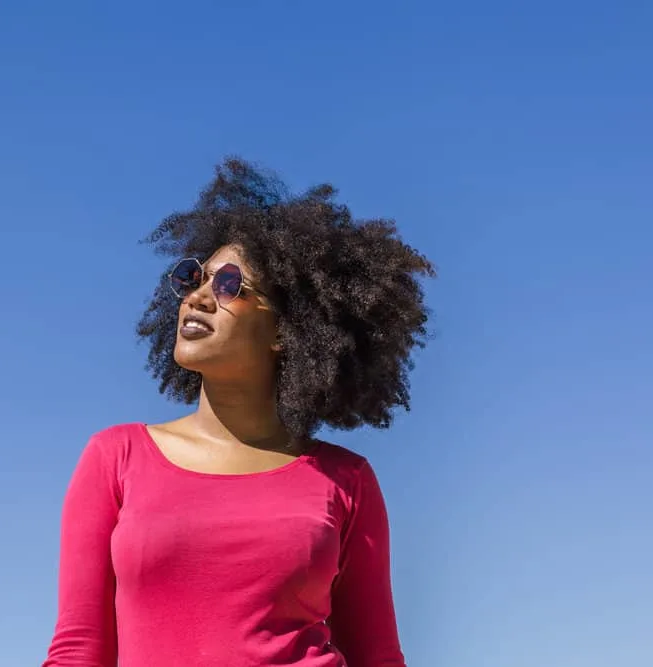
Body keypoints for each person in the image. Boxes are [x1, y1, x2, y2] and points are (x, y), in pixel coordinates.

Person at [41, 158, 435, 667]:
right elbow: (78, 650)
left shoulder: (346, 479)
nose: (199, 298)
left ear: (284, 332)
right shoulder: (116, 457)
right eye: (193, 279)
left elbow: (376, 654)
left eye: (229, 285)